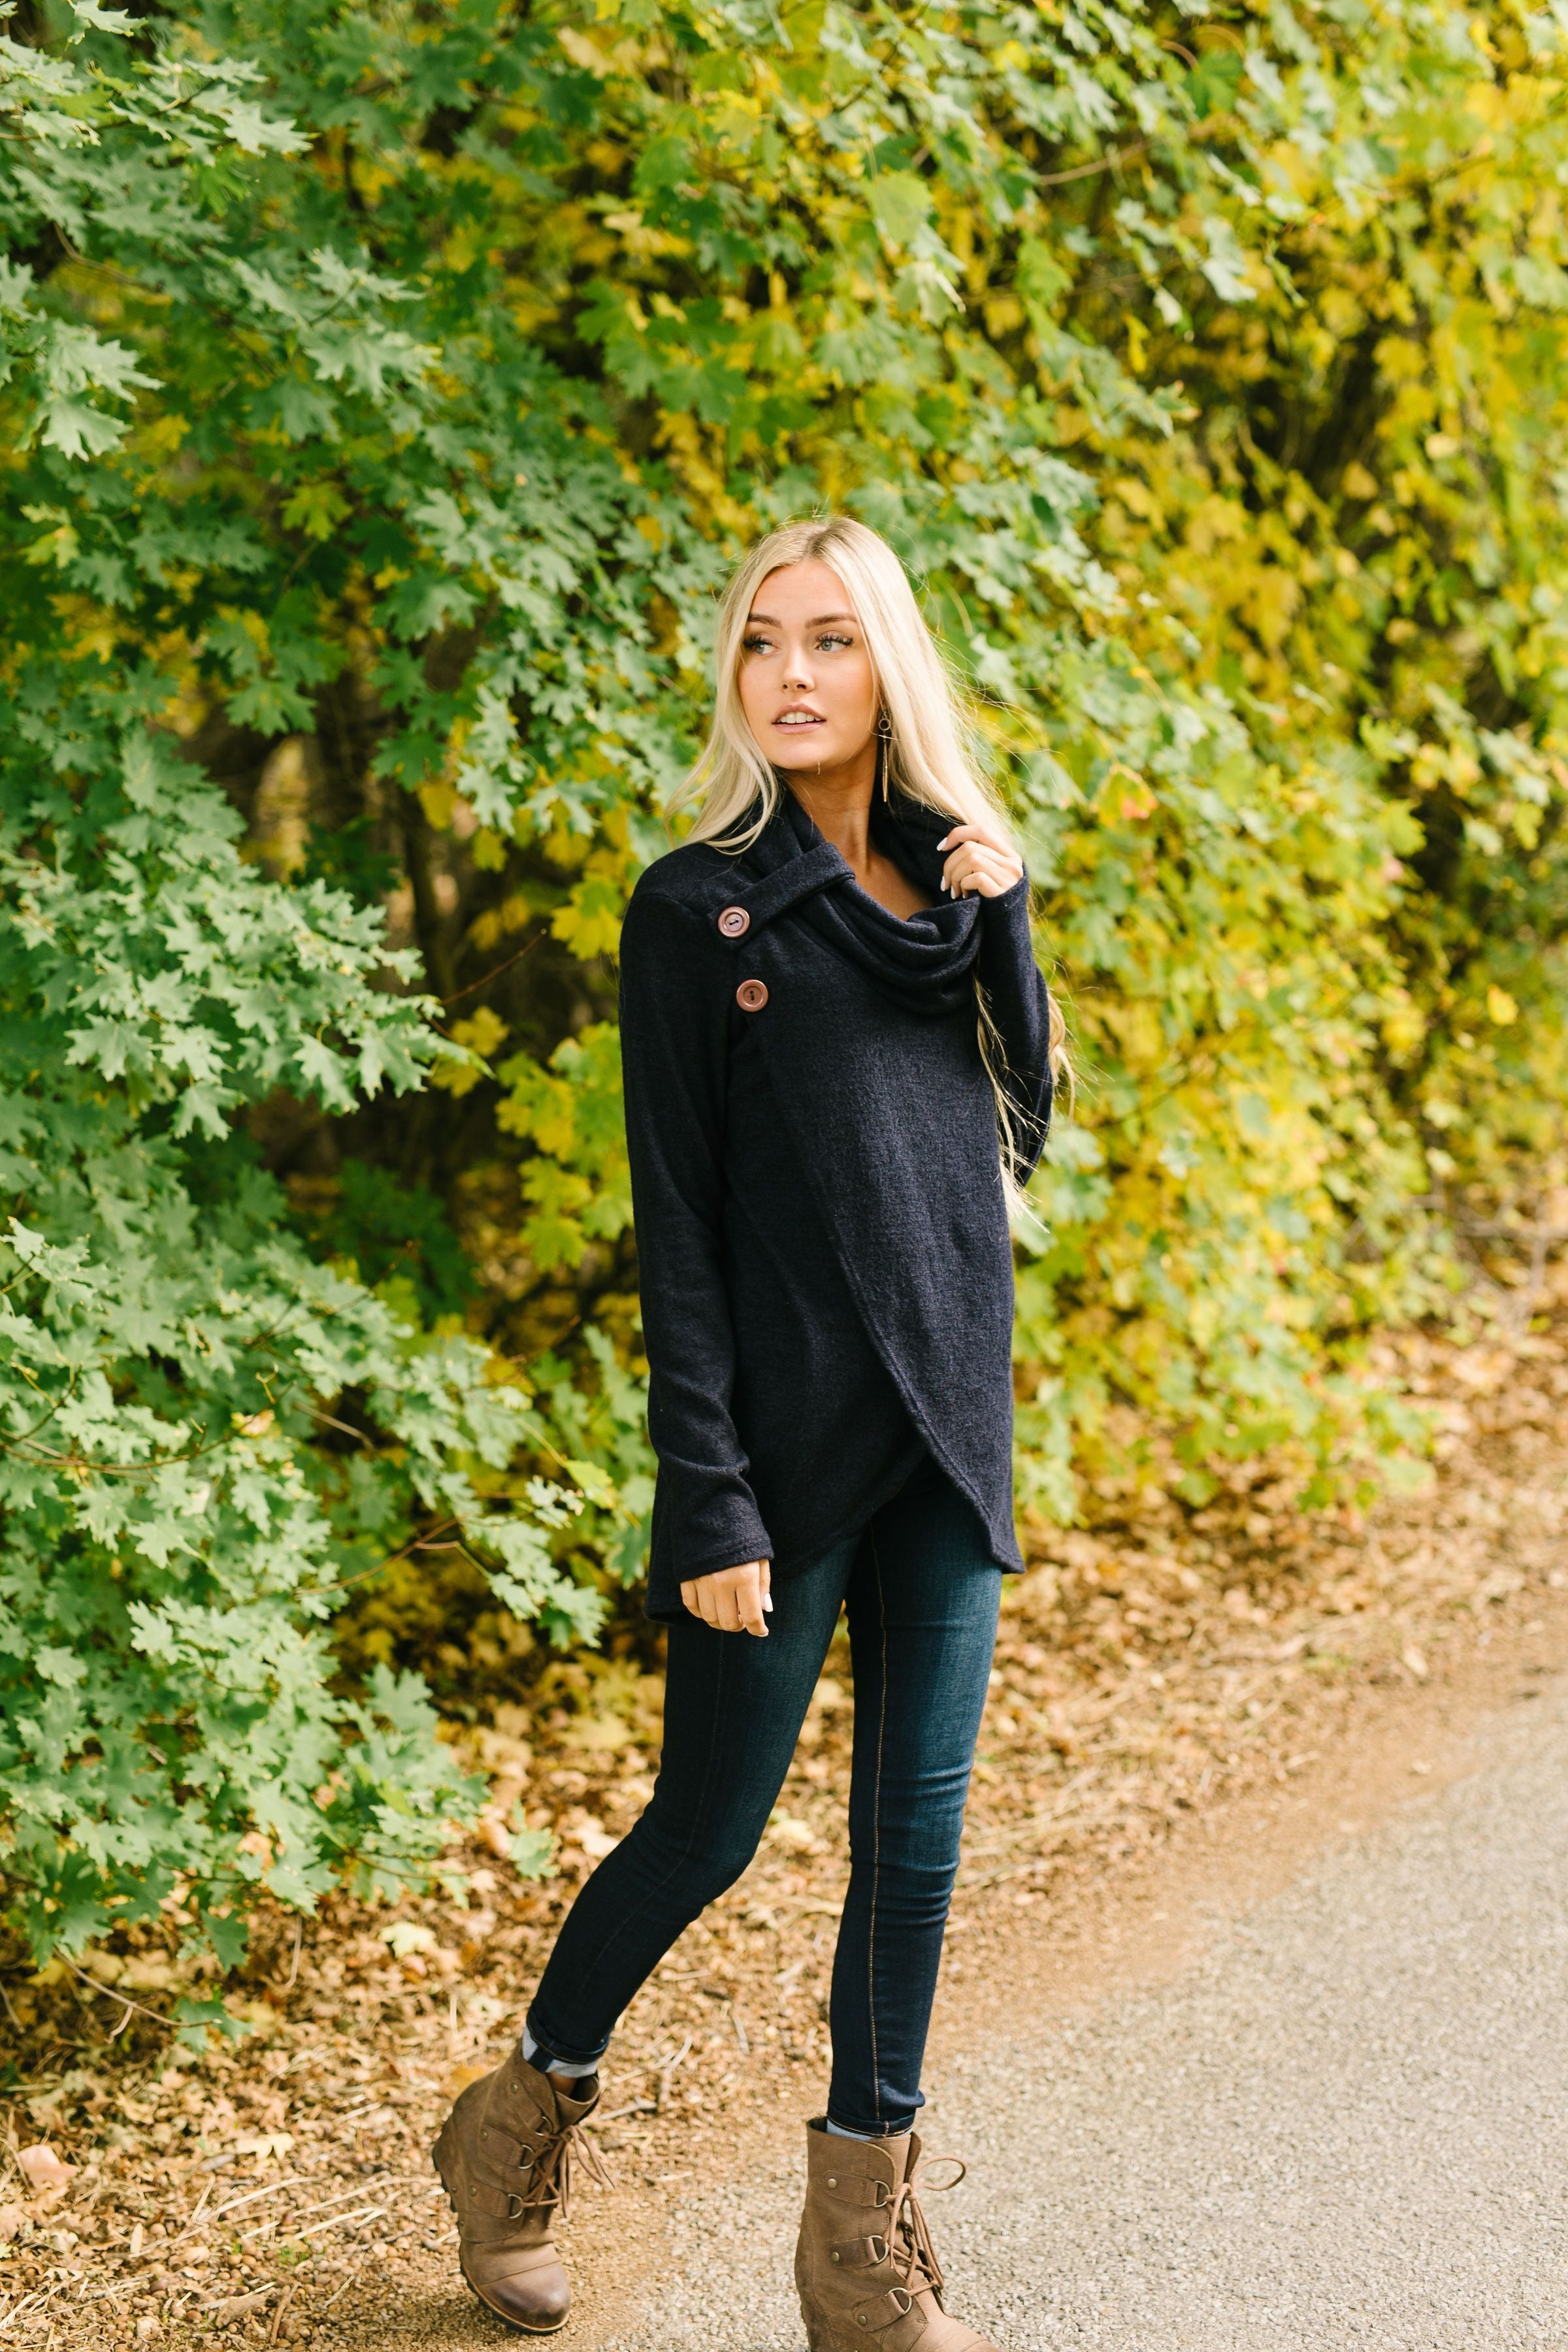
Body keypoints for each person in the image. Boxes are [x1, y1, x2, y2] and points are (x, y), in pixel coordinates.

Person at [433, 515, 1066, 2345]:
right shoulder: (697, 907)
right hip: (774, 1465)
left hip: (946, 1425)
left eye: (831, 642)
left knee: (916, 1843)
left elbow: (1023, 1114)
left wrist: (1002, 911)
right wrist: (703, 1496)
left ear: (891, 670)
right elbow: (681, 1221)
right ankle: (517, 2122)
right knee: (708, 1829)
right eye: (761, 644)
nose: (791, 675)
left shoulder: (953, 892)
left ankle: (859, 2242)